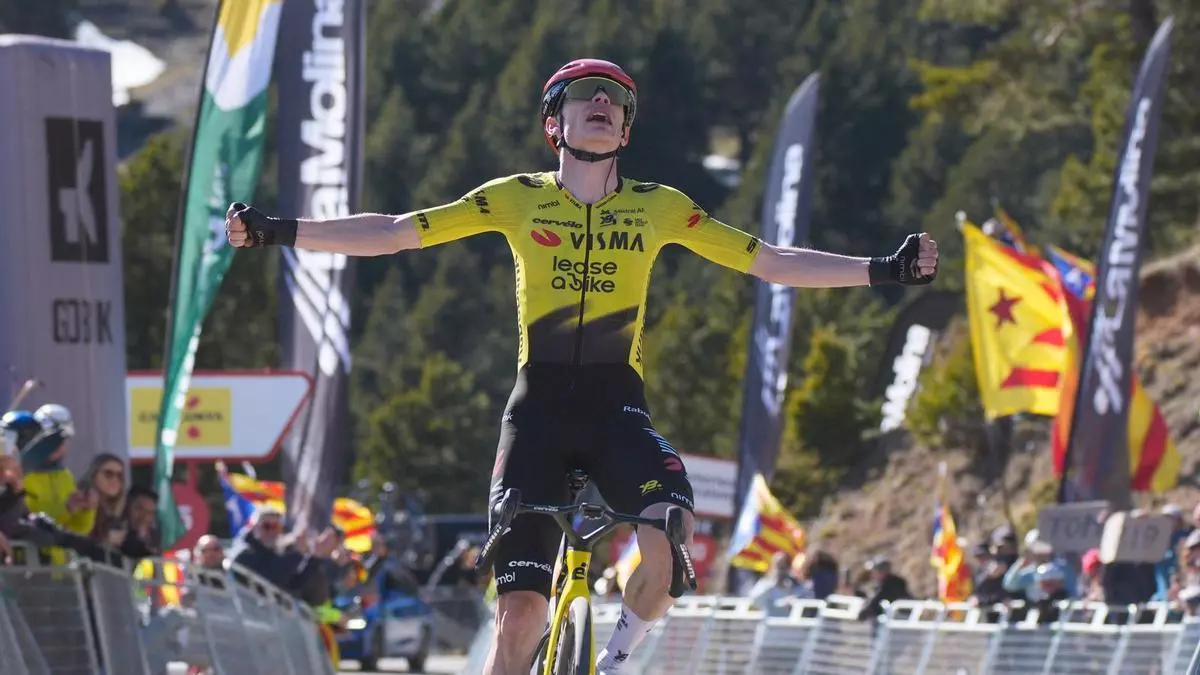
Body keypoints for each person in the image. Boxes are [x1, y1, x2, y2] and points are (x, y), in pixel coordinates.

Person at [224, 58, 939, 675]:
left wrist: (885, 269)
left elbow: (773, 261)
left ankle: (615, 662)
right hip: (536, 414)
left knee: (669, 536)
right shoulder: (516, 198)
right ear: (553, 124)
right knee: (519, 619)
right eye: (584, 94)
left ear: (625, 131)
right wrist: (279, 230)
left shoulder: (661, 208)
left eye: (616, 99)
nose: (602, 101)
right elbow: (394, 231)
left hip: (616, 411)